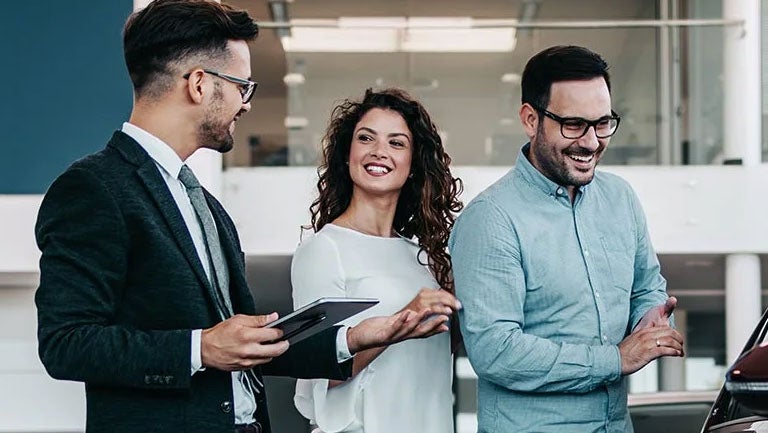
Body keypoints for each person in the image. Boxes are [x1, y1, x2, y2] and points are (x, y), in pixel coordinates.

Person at [34, 2, 443, 433]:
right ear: (199, 84)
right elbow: (66, 343)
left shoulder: (207, 208)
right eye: (241, 86)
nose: (246, 104)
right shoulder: (94, 188)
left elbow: (251, 347)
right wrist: (200, 349)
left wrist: (361, 336)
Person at [449, 45, 685, 433]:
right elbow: (497, 352)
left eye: (603, 123)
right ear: (530, 119)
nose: (591, 142)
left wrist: (651, 319)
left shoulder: (620, 199)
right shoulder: (491, 219)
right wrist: (615, 359)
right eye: (574, 124)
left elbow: (647, 287)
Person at [290, 88, 464, 433]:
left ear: (414, 165)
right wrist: (403, 320)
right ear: (347, 154)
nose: (379, 151)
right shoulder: (324, 250)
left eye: (396, 143)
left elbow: (440, 353)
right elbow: (318, 371)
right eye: (365, 138)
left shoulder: (426, 258)